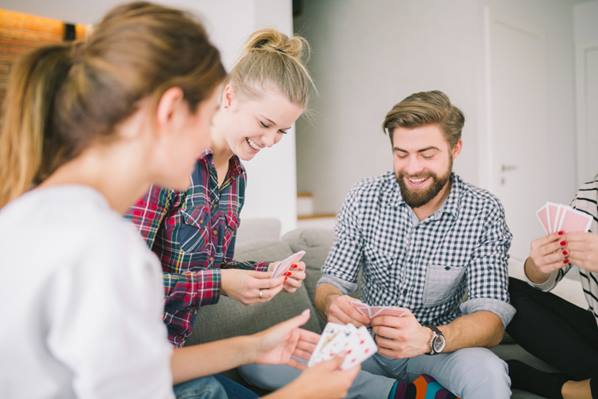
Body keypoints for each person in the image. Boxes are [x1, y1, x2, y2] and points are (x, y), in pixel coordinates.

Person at [0, 2, 358, 398]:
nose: (208, 140)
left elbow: (134, 369)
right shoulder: (103, 248)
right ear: (172, 110)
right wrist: (307, 392)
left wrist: (253, 346)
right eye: (206, 114)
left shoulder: (31, 215)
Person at [314, 90, 516, 398]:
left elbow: (491, 320)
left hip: (438, 348)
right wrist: (333, 303)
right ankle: (403, 393)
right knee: (262, 364)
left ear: (455, 148)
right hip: (367, 345)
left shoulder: (483, 210)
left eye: (427, 154)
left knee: (489, 373)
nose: (412, 168)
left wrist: (429, 338)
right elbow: (330, 284)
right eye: (401, 154)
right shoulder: (363, 197)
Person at [125, 27, 310, 349]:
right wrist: (220, 283)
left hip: (175, 349)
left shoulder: (236, 177)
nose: (270, 141)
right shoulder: (169, 164)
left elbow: (210, 265)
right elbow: (124, 282)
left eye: (282, 130)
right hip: (129, 349)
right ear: (229, 97)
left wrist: (266, 273)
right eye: (265, 124)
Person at [507, 175, 598, 399]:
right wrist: (538, 265)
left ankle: (556, 387)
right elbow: (545, 279)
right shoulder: (590, 196)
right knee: (506, 292)